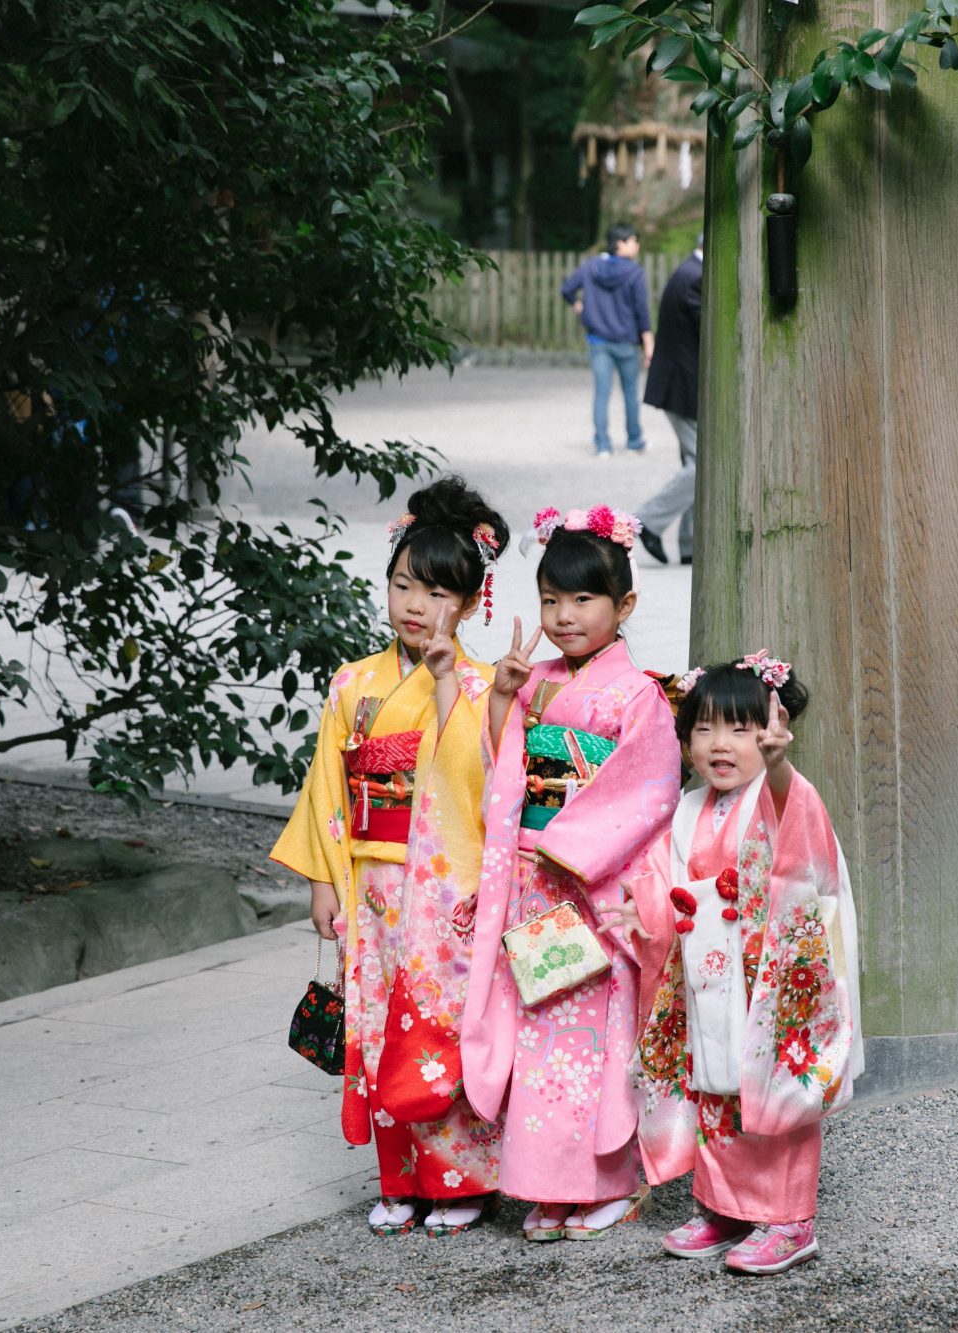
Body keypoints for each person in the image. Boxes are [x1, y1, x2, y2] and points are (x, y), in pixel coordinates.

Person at [268, 477, 510, 1238]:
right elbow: (326, 789)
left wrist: (444, 681)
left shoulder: (478, 683)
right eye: (403, 583)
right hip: (370, 878)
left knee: (438, 1025)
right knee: (374, 1025)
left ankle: (460, 1179)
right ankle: (400, 1178)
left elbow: (475, 781)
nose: (414, 604)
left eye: (437, 591)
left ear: (470, 604)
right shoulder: (353, 683)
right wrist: (321, 880)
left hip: (444, 883)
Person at [461, 504, 681, 1242]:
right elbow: (507, 773)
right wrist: (501, 696)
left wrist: (569, 844)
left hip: (591, 888)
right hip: (535, 883)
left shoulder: (637, 694)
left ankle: (608, 1185)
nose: (562, 615)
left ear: (624, 605)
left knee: (593, 1042)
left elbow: (648, 789)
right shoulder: (536, 681)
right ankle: (548, 1188)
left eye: (582, 599)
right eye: (550, 599)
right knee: (539, 1039)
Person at [630, 654, 860, 1276]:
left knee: (772, 1088)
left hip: (766, 973)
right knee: (713, 1084)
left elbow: (801, 848)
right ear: (685, 743)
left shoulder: (779, 793)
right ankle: (724, 1206)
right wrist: (644, 916)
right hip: (707, 969)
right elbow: (660, 883)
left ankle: (789, 1221)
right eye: (704, 729)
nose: (721, 744)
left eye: (740, 728)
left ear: (771, 733)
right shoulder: (688, 808)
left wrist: (782, 767)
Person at [561, 226, 656, 458]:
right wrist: (648, 340)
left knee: (601, 393)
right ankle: (634, 442)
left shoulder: (591, 266)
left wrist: (578, 306)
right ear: (620, 243)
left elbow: (567, 289)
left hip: (598, 340)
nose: (637, 245)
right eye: (634, 240)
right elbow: (641, 309)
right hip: (625, 342)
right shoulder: (634, 273)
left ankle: (603, 445)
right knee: (630, 392)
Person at [636, 244, 704, 565]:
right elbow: (711, 331)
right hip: (684, 387)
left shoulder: (689, 272)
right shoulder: (695, 277)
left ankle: (691, 544)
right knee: (703, 465)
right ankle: (648, 520)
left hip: (682, 385)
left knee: (696, 463)